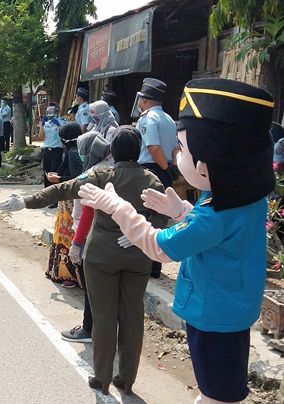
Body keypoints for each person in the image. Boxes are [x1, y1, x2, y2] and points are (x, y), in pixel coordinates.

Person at [78, 78, 275, 403]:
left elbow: (159, 246)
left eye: (182, 148)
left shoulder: (215, 213)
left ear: (207, 162)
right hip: (232, 312)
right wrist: (182, 210)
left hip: (213, 318)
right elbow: (219, 237)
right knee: (217, 392)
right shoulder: (244, 199)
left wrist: (118, 208)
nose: (175, 153)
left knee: (218, 396)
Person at [0, 126, 167, 396]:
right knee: (132, 316)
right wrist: (142, 229)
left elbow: (64, 189)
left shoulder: (101, 175)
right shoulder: (152, 180)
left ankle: (101, 378)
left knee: (103, 317)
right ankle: (126, 380)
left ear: (112, 150)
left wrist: (26, 201)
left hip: (100, 256)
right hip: (137, 255)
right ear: (139, 150)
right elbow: (164, 215)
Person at [62, 132, 113, 343]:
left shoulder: (94, 174)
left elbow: (88, 213)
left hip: (91, 237)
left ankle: (89, 329)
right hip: (111, 237)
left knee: (92, 288)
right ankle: (107, 329)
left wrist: (77, 242)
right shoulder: (113, 168)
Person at [135, 78, 178, 279]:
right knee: (160, 217)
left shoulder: (148, 118)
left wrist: (163, 166)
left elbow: (152, 147)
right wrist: (171, 168)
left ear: (145, 100)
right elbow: (177, 148)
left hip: (152, 168)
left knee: (144, 216)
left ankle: (144, 263)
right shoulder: (169, 119)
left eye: (141, 99)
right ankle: (155, 265)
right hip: (166, 169)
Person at [42, 122, 83, 286]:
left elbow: (76, 179)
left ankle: (70, 275)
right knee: (62, 232)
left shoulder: (73, 153)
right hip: (67, 199)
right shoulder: (75, 150)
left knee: (66, 234)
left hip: (70, 201)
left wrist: (58, 179)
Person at [41, 103, 65, 188]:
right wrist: (42, 124)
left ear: (57, 111)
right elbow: (41, 136)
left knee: (55, 171)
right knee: (46, 171)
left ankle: (54, 192)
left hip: (57, 149)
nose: (51, 113)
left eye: (53, 111)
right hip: (47, 149)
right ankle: (46, 191)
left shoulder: (62, 121)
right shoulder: (47, 123)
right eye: (49, 111)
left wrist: (58, 124)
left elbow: (64, 134)